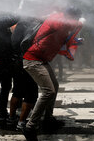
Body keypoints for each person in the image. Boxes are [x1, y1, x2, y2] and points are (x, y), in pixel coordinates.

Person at [22, 7, 83, 141]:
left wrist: (74, 40)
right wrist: (78, 26)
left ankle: (48, 119)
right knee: (48, 91)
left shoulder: (63, 24)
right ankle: (30, 127)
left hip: (42, 59)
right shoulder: (58, 21)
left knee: (54, 87)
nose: (77, 21)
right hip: (32, 60)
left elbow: (62, 44)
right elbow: (63, 28)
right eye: (76, 18)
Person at [7, 17, 39, 130]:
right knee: (31, 92)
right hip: (28, 61)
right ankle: (21, 122)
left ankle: (11, 118)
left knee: (17, 91)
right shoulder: (33, 25)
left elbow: (14, 43)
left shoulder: (20, 23)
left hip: (17, 61)